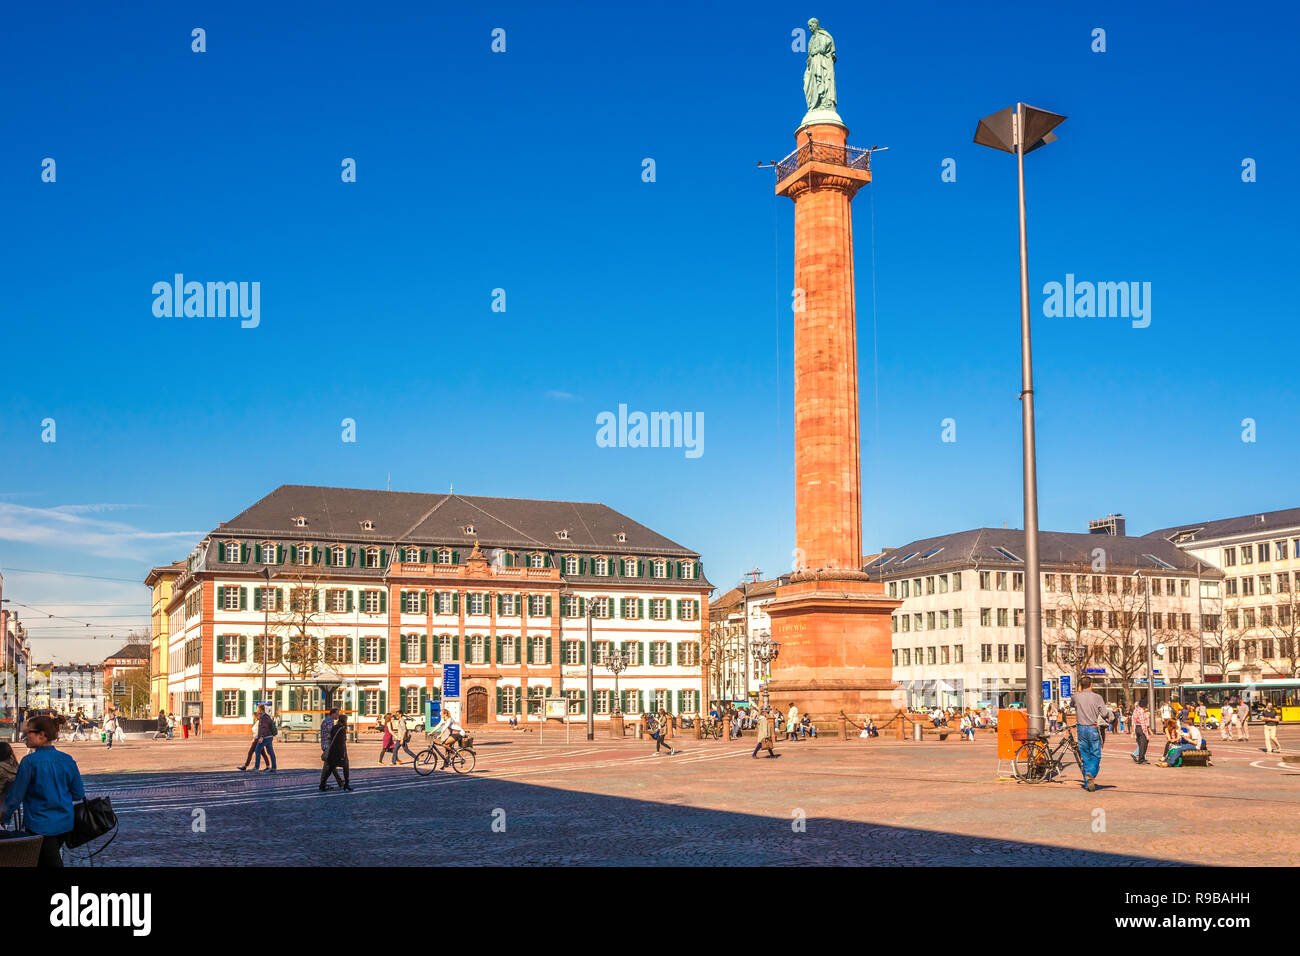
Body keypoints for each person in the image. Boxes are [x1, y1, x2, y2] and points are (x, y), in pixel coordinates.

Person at [1, 715, 86, 867]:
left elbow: (15, 797)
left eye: (28, 732)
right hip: (65, 823)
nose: (25, 736)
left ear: (42, 735)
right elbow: (78, 793)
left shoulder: (29, 762)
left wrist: (3, 817)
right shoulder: (67, 759)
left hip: (39, 824)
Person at [1071, 677, 1113, 792]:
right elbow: (1104, 713)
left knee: (1085, 756)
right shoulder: (1097, 697)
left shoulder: (1076, 697)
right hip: (1092, 728)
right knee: (1096, 754)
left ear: (1081, 685)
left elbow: (1071, 704)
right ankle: (1091, 774)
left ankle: (1087, 782)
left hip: (1080, 729)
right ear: (1091, 684)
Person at [319, 713, 353, 791]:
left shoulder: (334, 727)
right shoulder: (342, 729)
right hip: (340, 751)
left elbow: (331, 738)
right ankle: (346, 784)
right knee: (345, 767)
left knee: (330, 768)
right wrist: (343, 754)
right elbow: (341, 742)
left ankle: (322, 784)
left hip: (332, 751)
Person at [251, 705, 277, 772]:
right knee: (271, 752)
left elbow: (264, 728)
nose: (257, 711)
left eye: (257, 709)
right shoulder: (267, 716)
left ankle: (256, 767)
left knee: (257, 750)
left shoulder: (264, 718)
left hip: (265, 737)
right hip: (269, 737)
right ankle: (274, 767)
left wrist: (261, 737)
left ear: (261, 710)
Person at [1130, 700, 1152, 765]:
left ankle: (1141, 758)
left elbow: (1133, 721)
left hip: (1137, 728)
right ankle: (1141, 759)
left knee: (1140, 744)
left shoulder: (1135, 710)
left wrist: (1133, 731)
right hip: (1142, 728)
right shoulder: (1141, 712)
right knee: (1143, 744)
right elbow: (1143, 723)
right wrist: (1147, 734)